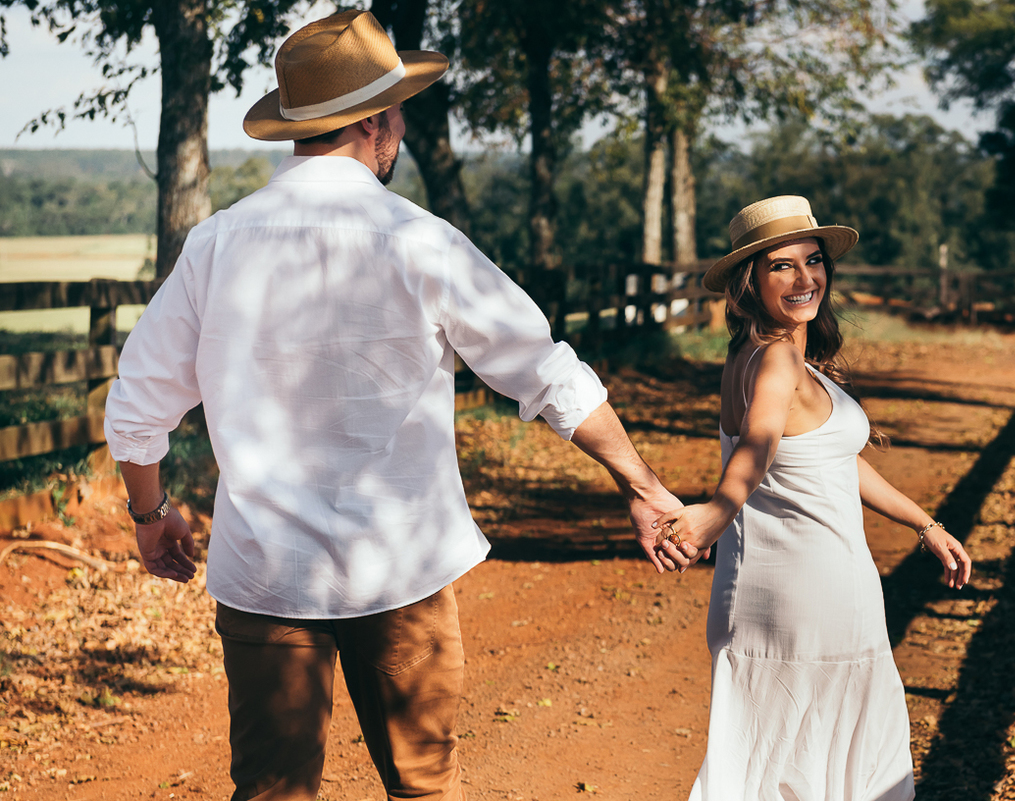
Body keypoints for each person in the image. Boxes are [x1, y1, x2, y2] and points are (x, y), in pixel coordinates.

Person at [103, 11, 684, 801]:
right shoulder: (422, 241)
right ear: (377, 121)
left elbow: (137, 407)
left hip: (265, 575)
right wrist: (642, 486)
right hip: (402, 570)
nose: (401, 129)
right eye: (399, 111)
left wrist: (152, 513)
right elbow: (547, 373)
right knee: (423, 788)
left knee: (273, 794)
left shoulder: (216, 243)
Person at [652, 196, 972, 801]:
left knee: (774, 763)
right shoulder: (775, 357)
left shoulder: (764, 352)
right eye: (782, 266)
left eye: (814, 261)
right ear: (752, 280)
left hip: (786, 590)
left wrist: (924, 524)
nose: (805, 279)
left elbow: (833, 462)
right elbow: (759, 445)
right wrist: (716, 512)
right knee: (808, 768)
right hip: (812, 597)